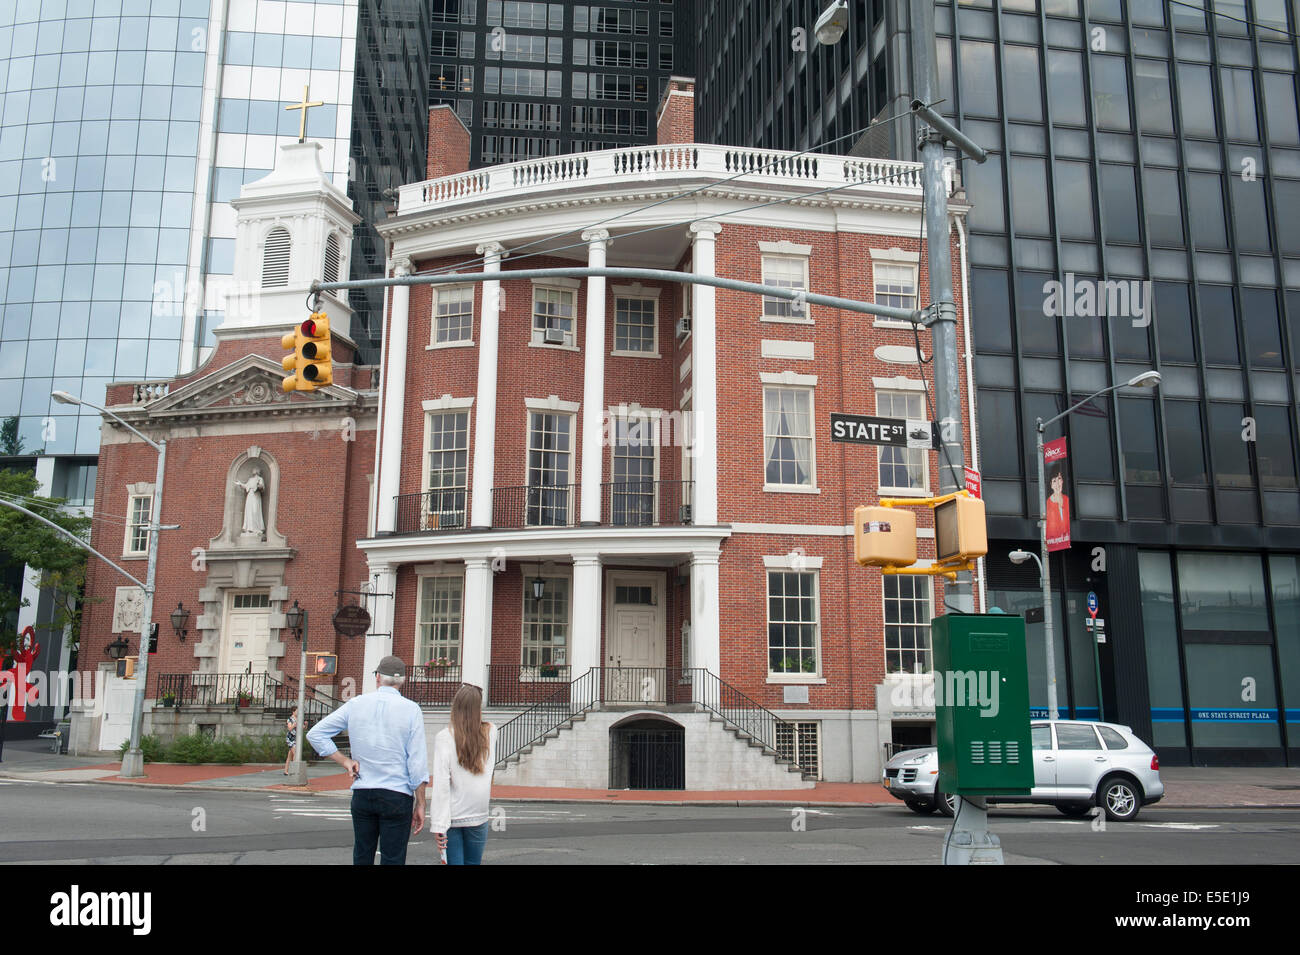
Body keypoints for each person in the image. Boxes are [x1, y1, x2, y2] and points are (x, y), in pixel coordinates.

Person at [306, 656, 429, 865]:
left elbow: (315, 734)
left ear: (378, 677)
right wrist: (421, 802)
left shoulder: (356, 704)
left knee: (362, 855)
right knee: (393, 858)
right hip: (397, 792)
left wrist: (344, 760)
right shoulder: (411, 709)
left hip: (364, 791)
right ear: (402, 681)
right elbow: (416, 760)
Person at [431, 684, 497, 866]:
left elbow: (441, 785)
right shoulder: (491, 732)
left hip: (453, 815)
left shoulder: (444, 737)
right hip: (479, 812)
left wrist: (438, 824)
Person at [1044, 464, 1071, 548]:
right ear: (1051, 485)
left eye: (1059, 478)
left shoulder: (1067, 500)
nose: (1057, 483)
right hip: (1053, 544)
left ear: (1062, 481)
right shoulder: (1047, 504)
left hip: (1066, 544)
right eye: (1054, 480)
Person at [283, 707, 298, 775]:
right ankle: (294, 770)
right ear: (293, 711)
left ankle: (286, 770)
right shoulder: (290, 719)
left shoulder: (298, 719)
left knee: (290, 755)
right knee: (295, 753)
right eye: (297, 711)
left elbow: (302, 728)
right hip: (290, 738)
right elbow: (289, 728)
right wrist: (294, 725)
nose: (298, 712)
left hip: (296, 738)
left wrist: (305, 725)